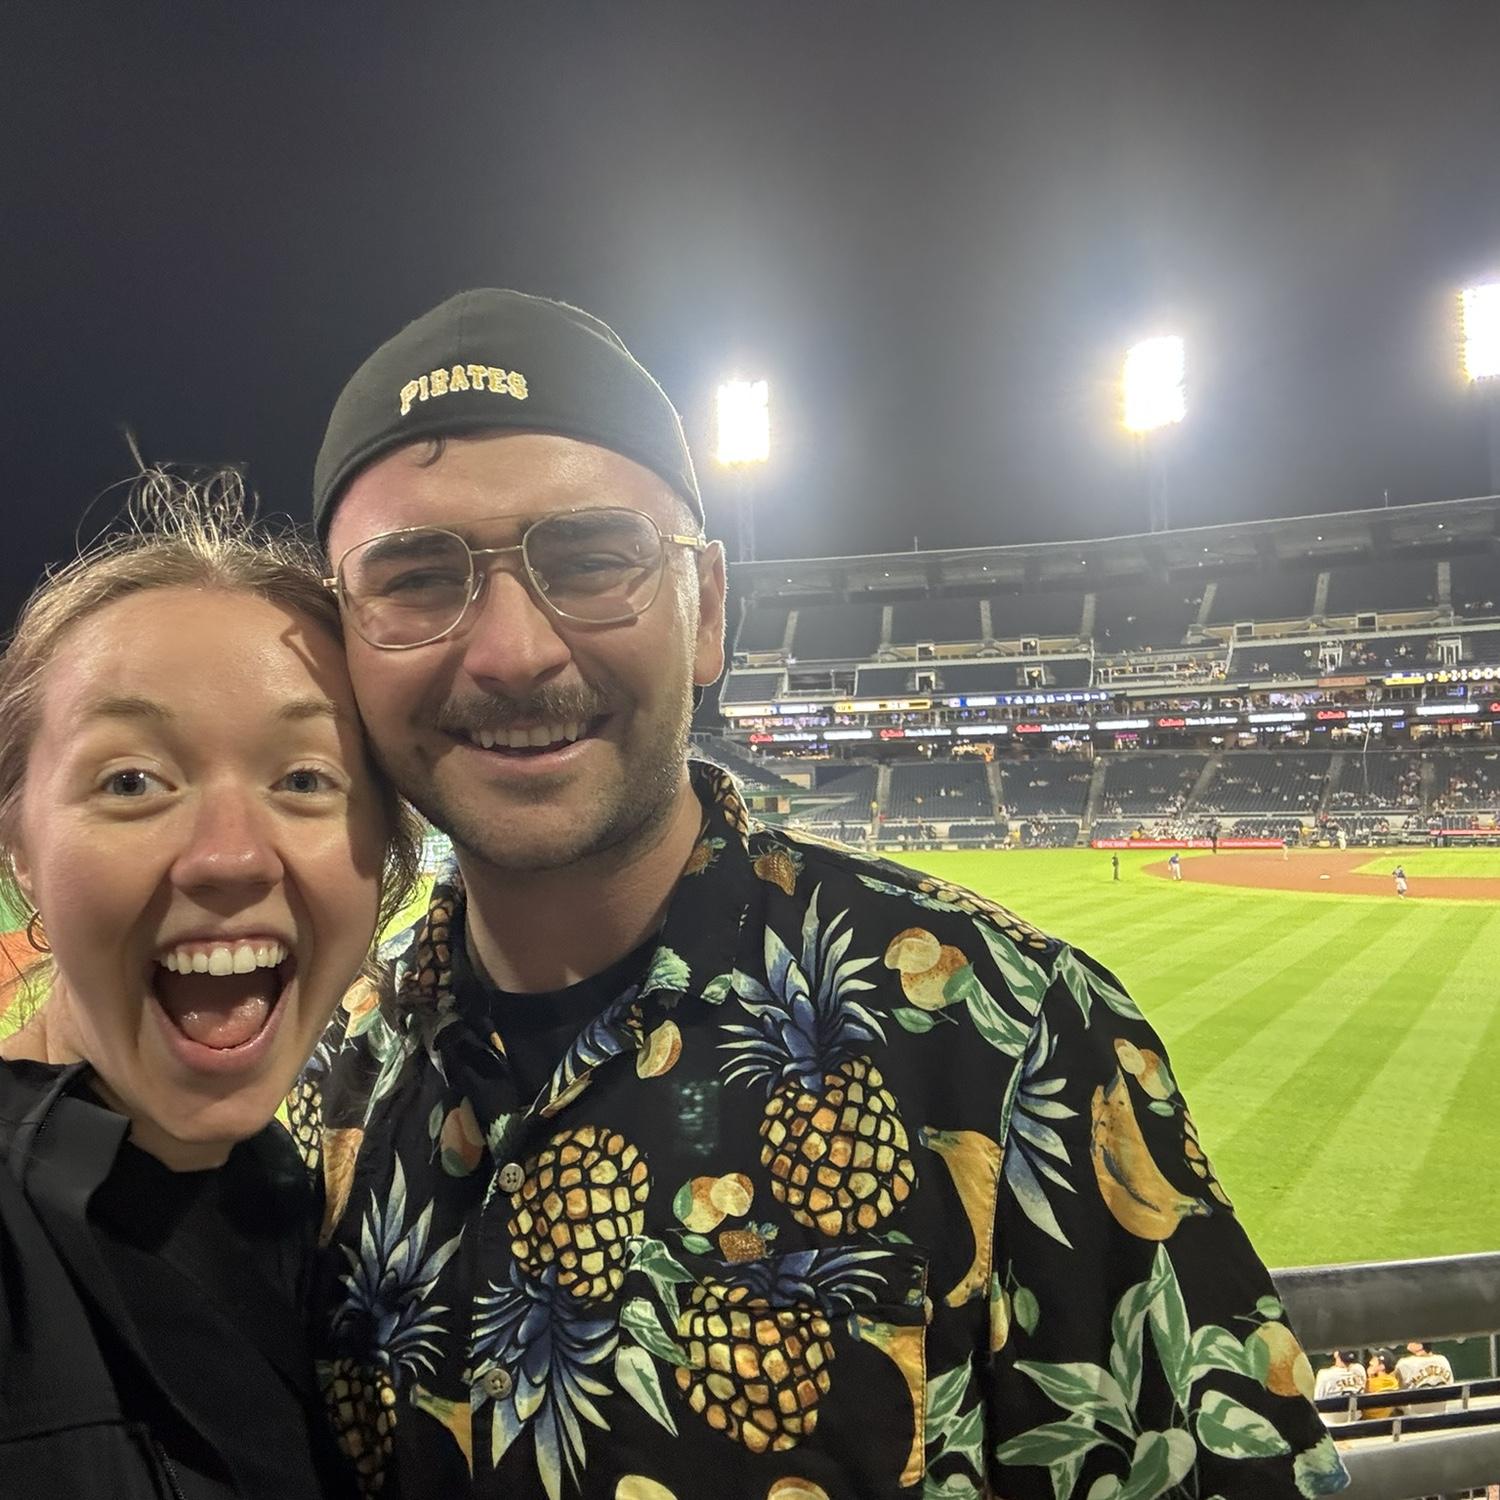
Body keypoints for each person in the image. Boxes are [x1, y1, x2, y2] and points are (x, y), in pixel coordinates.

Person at [300, 289, 1346, 1499]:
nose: (512, 651)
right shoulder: (319, 1077)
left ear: (710, 612)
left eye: (592, 560)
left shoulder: (1018, 1041)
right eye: (419, 580)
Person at [0, 472, 419, 1497]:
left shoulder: (331, 1217)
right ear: (18, 844)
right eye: (131, 780)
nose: (229, 858)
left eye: (305, 778)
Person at [1395, 1339, 1453, 1417]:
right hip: (1441, 1415)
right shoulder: (1443, 1360)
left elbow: (1397, 1389)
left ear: (1420, 1345)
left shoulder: (1404, 1363)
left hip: (1413, 1418)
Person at [1312, 1349, 1366, 1425]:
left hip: (1331, 1423)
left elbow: (1317, 1402)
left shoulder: (1324, 1374)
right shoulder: (1360, 1369)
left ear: (1336, 1354)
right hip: (1355, 1420)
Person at [1364, 1349, 1399, 1420]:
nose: (1370, 1361)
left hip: (1372, 1421)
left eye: (1374, 1359)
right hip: (1385, 1420)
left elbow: (1369, 1411)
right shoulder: (1392, 1380)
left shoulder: (1376, 1382)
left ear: (1382, 1366)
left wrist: (1369, 1377)